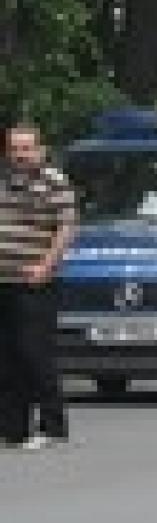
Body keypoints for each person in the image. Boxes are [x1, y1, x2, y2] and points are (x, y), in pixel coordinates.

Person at [0, 123, 77, 449]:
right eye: (15, 149)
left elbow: (66, 228)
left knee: (35, 353)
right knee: (7, 357)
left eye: (26, 148)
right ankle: (13, 429)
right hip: (4, 281)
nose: (20, 155)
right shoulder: (3, 182)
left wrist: (46, 265)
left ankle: (52, 426)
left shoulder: (54, 182)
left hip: (35, 281)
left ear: (40, 150)